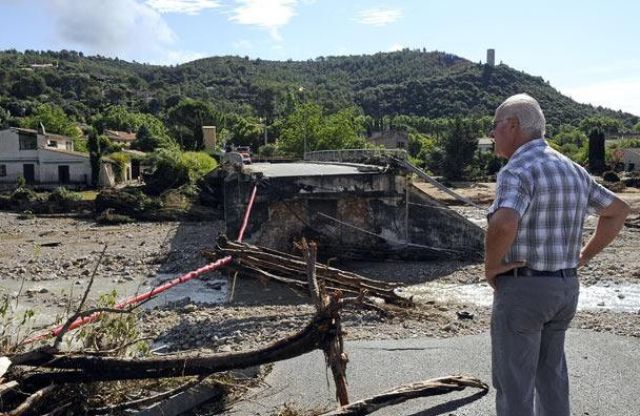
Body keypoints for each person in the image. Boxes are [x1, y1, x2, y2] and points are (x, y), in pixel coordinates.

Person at [485, 93, 630, 416]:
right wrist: (583, 257)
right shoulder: (572, 169)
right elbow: (618, 211)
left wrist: (492, 267)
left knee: (514, 386)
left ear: (512, 125)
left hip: (524, 288)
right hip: (565, 289)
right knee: (551, 377)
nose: (492, 134)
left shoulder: (517, 169)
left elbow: (505, 221)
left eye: (495, 126)